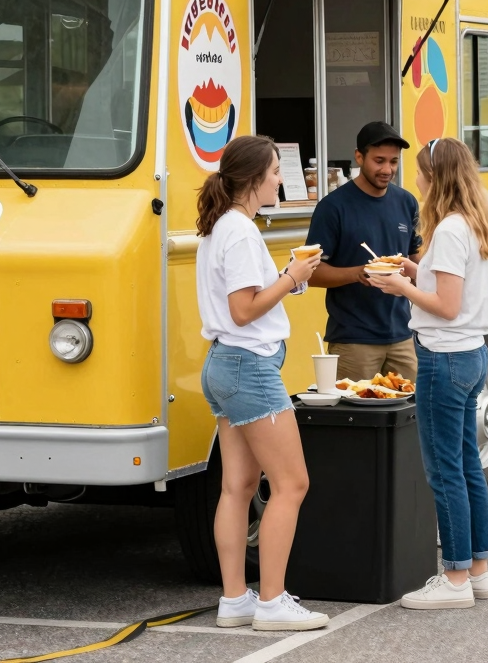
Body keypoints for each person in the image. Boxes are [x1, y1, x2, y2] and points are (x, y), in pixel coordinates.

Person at [195, 135, 329, 632]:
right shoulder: (241, 232)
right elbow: (243, 309)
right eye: (274, 171)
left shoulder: (221, 226)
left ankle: (236, 599)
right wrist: (292, 277)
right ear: (254, 178)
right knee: (292, 483)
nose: (279, 179)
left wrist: (288, 276)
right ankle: (272, 602)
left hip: (225, 364)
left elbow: (242, 303)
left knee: (238, 487)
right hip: (247, 366)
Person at [369, 137, 488, 609]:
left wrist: (400, 286)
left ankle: (455, 578)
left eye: (420, 171)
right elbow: (453, 291)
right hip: (472, 354)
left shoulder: (447, 229)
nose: (414, 178)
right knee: (466, 466)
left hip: (443, 357)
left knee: (444, 470)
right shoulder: (473, 221)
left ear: (436, 177)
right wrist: (412, 270)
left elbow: (445, 306)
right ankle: (478, 570)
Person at [306, 122, 422, 380]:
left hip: (403, 335)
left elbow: (415, 257)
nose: (387, 169)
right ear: (359, 157)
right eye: (379, 161)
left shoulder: (407, 202)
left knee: (413, 405)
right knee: (356, 406)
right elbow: (311, 273)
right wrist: (358, 273)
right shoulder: (332, 207)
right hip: (353, 340)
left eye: (393, 161)